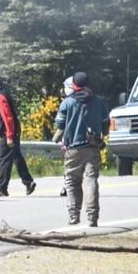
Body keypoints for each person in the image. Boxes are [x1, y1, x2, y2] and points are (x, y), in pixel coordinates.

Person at [53, 72, 109, 227]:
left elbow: (59, 126)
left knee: (72, 182)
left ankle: (74, 216)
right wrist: (102, 135)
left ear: (74, 85)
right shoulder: (98, 102)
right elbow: (106, 124)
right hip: (93, 147)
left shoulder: (67, 103)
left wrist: (57, 138)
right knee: (91, 181)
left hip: (73, 149)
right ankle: (92, 218)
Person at [0, 72, 37, 197]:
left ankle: (1, 188)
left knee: (4, 159)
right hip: (12, 131)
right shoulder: (3, 93)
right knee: (16, 157)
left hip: (8, 132)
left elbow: (7, 117)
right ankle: (28, 182)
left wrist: (9, 135)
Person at [58, 76, 75, 197]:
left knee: (69, 164)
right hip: (84, 138)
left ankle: (67, 186)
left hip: (70, 138)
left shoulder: (67, 103)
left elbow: (60, 122)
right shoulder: (86, 101)